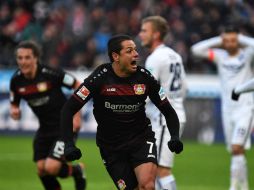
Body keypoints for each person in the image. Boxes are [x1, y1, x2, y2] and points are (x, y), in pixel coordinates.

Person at [60, 34, 183, 190]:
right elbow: (68, 109)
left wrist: (174, 136)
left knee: (147, 186)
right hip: (111, 147)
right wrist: (68, 144)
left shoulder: (144, 78)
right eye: (130, 51)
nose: (136, 54)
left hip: (141, 140)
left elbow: (168, 111)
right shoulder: (99, 78)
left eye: (136, 50)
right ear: (116, 56)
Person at [9, 41, 86, 190]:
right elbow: (14, 105)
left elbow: (78, 85)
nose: (23, 61)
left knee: (51, 167)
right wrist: (14, 112)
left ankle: (77, 171)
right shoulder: (16, 81)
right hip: (44, 129)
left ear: (36, 58)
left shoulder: (50, 73)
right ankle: (75, 171)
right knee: (41, 170)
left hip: (64, 127)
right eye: (20, 58)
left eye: (27, 57)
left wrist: (76, 115)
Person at [191, 26, 254, 190]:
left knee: (236, 147)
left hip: (245, 109)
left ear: (238, 41)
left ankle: (233, 187)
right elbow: (195, 50)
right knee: (236, 152)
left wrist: (241, 39)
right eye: (226, 41)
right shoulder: (219, 56)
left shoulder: (246, 56)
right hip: (228, 110)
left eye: (233, 40)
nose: (229, 44)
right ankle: (245, 187)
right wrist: (218, 40)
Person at [139, 16, 187, 190]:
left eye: (145, 30)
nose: (140, 34)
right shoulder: (174, 55)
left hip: (164, 118)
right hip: (176, 113)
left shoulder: (155, 58)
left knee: (160, 169)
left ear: (156, 34)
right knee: (157, 169)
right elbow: (184, 88)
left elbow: (145, 90)